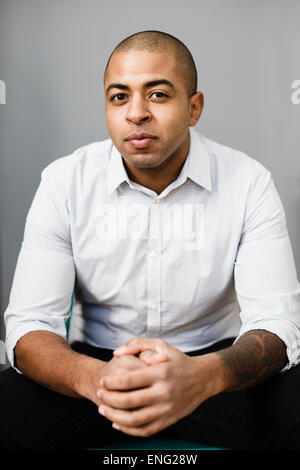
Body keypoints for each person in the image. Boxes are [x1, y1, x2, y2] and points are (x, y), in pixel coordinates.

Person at [1, 30, 300, 450]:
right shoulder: (64, 182)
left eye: (157, 95)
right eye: (119, 97)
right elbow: (29, 325)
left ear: (194, 108)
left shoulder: (249, 182)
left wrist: (203, 377)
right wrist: (96, 378)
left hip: (214, 368)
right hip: (99, 367)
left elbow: (278, 324)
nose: (136, 113)